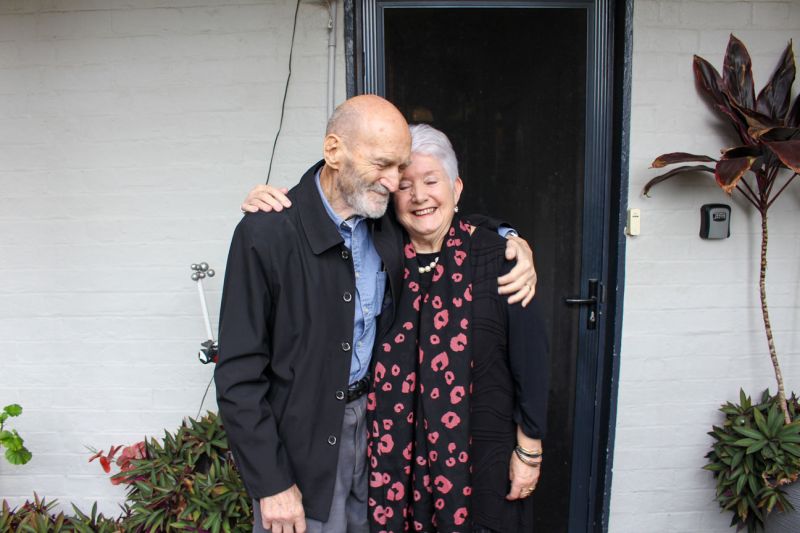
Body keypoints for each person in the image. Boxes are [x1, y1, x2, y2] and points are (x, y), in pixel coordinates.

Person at [216, 95, 537, 533]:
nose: (394, 183)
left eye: (399, 169)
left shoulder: (381, 221)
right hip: (304, 445)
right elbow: (237, 376)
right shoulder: (267, 234)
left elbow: (439, 220)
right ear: (333, 151)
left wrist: (510, 238)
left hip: (376, 440)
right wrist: (271, 483)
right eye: (384, 166)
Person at [366, 124, 549, 532]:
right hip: (398, 470)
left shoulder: (498, 259)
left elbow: (532, 364)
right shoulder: (380, 257)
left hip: (483, 464)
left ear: (456, 188)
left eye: (432, 181)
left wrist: (529, 451)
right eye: (405, 185)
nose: (419, 196)